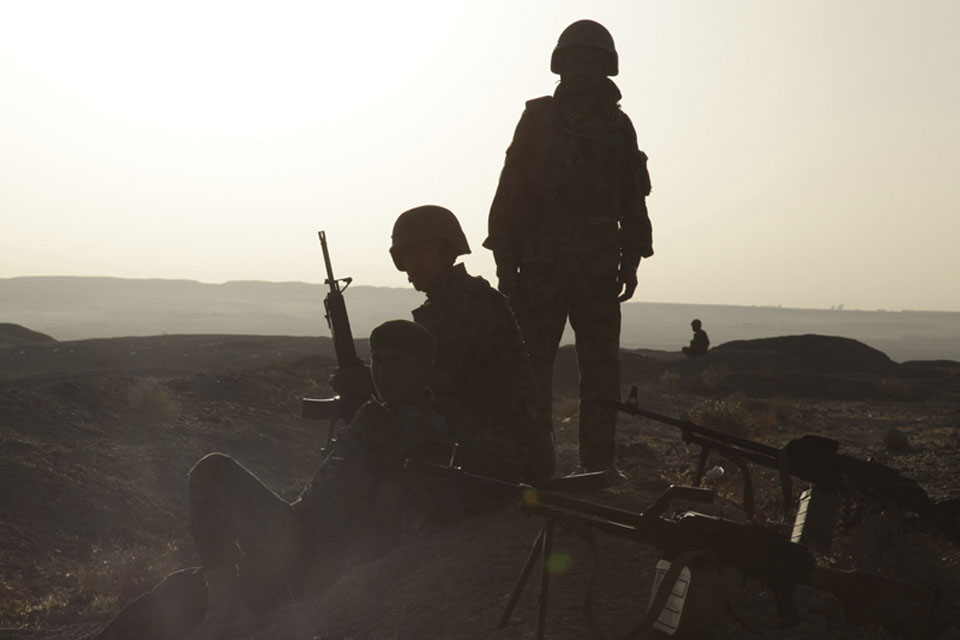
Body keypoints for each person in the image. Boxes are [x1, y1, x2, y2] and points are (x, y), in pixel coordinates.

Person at [96, 320, 461, 640]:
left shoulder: (422, 432)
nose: (382, 371)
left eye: (395, 361)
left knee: (214, 471)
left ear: (424, 369)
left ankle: (222, 611)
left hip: (314, 555)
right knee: (173, 592)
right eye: (377, 359)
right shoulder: (376, 414)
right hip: (296, 535)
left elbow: (399, 522)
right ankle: (220, 602)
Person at [483, 20, 653, 476]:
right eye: (574, 58)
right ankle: (534, 463)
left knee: (601, 370)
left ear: (605, 67)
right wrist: (505, 261)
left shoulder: (619, 128)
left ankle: (598, 465)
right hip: (540, 262)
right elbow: (512, 188)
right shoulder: (538, 119)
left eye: (591, 59)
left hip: (598, 264)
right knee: (531, 368)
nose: (582, 67)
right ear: (560, 64)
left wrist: (632, 256)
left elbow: (633, 195)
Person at [389, 204, 555, 482]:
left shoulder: (467, 301)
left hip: (509, 454)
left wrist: (375, 384)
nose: (414, 263)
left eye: (423, 252)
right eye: (407, 255)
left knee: (395, 418)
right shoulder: (446, 301)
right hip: (488, 442)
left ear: (448, 252)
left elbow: (433, 384)